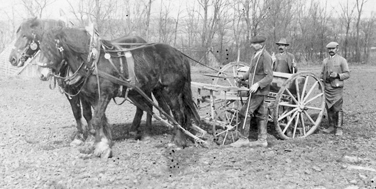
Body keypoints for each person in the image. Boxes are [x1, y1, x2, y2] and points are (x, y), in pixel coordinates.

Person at [230, 35, 273, 148]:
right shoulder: (256, 55)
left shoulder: (265, 56)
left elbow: (269, 76)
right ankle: (262, 140)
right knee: (261, 114)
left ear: (261, 44)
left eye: (254, 43)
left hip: (259, 91)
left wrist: (258, 84)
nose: (251, 45)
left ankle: (243, 139)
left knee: (244, 112)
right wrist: (242, 78)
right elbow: (251, 72)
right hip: (255, 90)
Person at [320, 41, 350, 136]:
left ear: (337, 49)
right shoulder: (325, 61)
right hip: (327, 87)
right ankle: (331, 126)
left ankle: (339, 128)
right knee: (329, 107)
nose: (331, 51)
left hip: (336, 88)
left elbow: (347, 74)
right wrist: (320, 81)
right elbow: (322, 73)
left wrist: (337, 75)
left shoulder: (342, 60)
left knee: (337, 108)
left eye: (333, 49)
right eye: (329, 49)